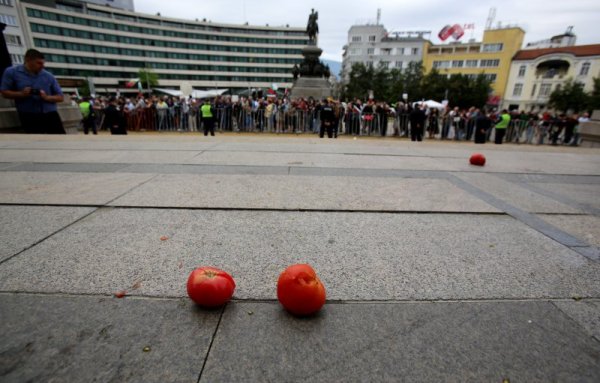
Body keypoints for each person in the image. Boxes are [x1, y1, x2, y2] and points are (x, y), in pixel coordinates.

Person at [0, 49, 65, 134]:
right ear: (28, 60)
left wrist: (46, 97)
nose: (42, 66)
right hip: (28, 115)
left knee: (60, 141)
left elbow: (60, 97)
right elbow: (4, 92)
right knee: (36, 143)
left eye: (43, 63)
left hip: (50, 114)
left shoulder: (48, 76)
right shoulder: (11, 72)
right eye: (39, 63)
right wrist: (21, 94)